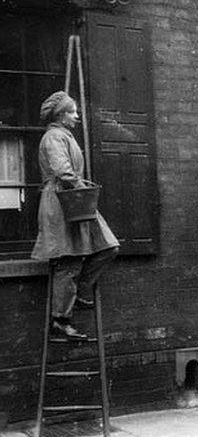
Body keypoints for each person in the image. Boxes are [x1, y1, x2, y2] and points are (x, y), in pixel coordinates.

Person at [31, 91, 119, 339]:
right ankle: (61, 319)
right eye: (72, 112)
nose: (77, 116)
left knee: (108, 246)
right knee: (68, 260)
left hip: (75, 200)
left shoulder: (64, 135)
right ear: (60, 115)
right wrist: (83, 189)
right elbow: (63, 172)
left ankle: (81, 291)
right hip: (61, 201)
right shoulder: (53, 137)